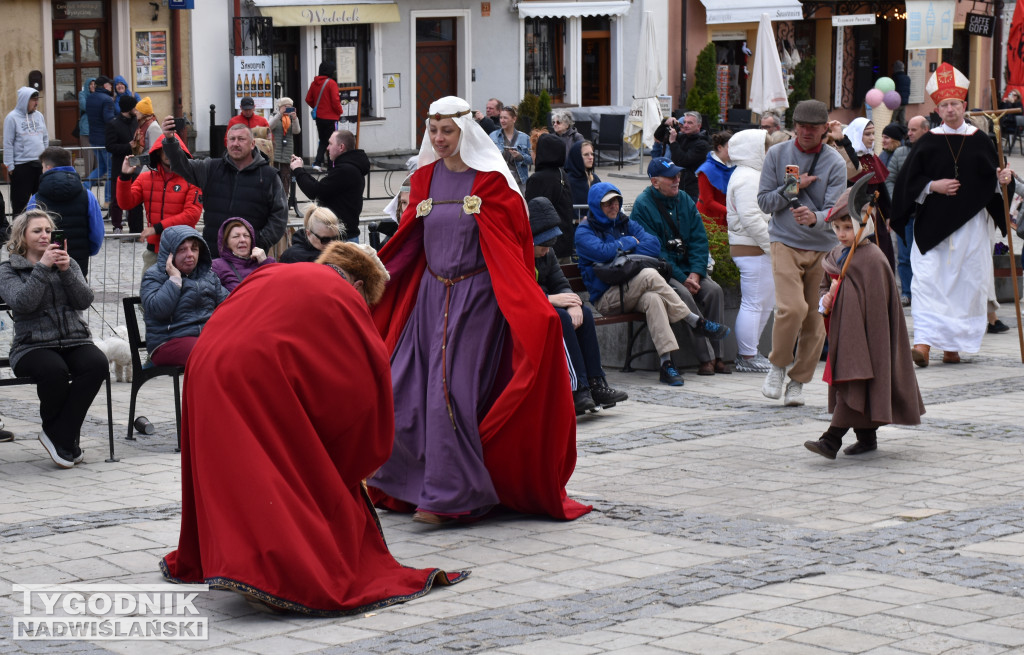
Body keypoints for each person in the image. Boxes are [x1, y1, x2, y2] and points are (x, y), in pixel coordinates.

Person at [160, 246, 466, 615]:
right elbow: (367, 378)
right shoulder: (341, 293)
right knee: (280, 473)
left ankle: (232, 559)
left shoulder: (277, 272)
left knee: (239, 470)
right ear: (357, 284)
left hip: (204, 365)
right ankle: (268, 571)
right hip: (251, 373)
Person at [366, 95, 591, 524]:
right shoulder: (426, 178)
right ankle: (409, 483)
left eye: (447, 131)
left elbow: (514, 248)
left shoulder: (491, 182)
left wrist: (530, 303)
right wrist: (372, 278)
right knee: (405, 387)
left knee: (452, 393)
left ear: (465, 131)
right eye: (433, 131)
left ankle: (452, 495)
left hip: (477, 299)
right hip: (430, 299)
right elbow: (408, 240)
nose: (438, 138)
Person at [892, 63, 1011, 367]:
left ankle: (953, 347)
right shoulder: (929, 141)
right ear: (938, 109)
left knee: (964, 286)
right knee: (928, 282)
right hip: (932, 226)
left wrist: (1004, 179)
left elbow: (994, 179)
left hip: (971, 227)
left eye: (954, 104)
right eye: (944, 105)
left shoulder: (982, 140)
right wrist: (933, 185)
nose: (949, 109)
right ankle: (923, 343)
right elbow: (908, 182)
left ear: (964, 105)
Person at [804, 179, 924, 459]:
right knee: (853, 382)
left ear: (864, 225)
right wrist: (827, 298)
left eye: (849, 227)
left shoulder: (873, 259)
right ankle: (866, 437)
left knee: (856, 381)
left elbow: (878, 307)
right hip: (843, 333)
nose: (843, 234)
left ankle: (830, 440)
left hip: (867, 337)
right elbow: (824, 286)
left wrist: (843, 295)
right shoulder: (835, 254)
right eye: (838, 228)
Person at [576, 182, 728, 386]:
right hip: (608, 297)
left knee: (654, 299)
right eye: (607, 203)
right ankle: (694, 320)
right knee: (648, 273)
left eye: (616, 201)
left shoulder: (625, 222)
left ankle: (666, 364)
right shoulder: (584, 231)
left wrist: (619, 248)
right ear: (596, 206)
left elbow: (653, 245)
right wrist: (629, 242)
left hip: (633, 290)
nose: (613, 206)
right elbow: (601, 252)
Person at [0, 210, 108, 468]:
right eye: (37, 231)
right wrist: (42, 268)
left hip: (74, 339)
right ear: (22, 236)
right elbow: (22, 303)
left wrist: (66, 270)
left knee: (97, 364)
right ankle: (65, 438)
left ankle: (59, 434)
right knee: (54, 370)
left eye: (48, 231)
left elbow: (84, 300)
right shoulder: (9, 269)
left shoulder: (68, 263)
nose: (44, 236)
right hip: (32, 344)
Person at [757, 99, 847, 407]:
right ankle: (778, 365)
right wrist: (793, 187)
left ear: (825, 129)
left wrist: (816, 218)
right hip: (784, 240)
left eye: (813, 127)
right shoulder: (777, 154)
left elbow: (835, 211)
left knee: (815, 318)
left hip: (823, 248)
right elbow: (764, 202)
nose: (806, 132)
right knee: (792, 308)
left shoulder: (834, 162)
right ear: (794, 126)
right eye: (801, 126)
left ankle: (798, 382)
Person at [632, 157, 732, 375]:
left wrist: (696, 272)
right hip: (664, 272)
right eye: (671, 177)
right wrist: (682, 277)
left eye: (678, 175)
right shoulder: (642, 206)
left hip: (689, 269)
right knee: (684, 296)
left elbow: (699, 240)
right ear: (655, 182)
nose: (677, 180)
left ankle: (720, 355)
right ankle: (706, 358)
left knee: (714, 291)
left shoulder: (685, 199)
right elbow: (654, 251)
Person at [529, 197, 627, 414]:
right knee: (561, 318)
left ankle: (596, 383)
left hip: (546, 304)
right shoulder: (519, 252)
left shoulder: (548, 253)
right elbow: (520, 289)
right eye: (543, 244)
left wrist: (572, 302)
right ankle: (578, 389)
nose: (547, 249)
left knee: (584, 313)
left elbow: (561, 283)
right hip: (528, 311)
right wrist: (550, 299)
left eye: (550, 243)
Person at [161, 117, 287, 257]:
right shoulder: (211, 168)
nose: (235, 143)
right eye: (231, 139)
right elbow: (182, 166)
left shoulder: (269, 175)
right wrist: (170, 140)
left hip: (249, 259)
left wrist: (259, 241)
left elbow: (279, 217)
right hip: (214, 256)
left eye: (241, 139)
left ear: (252, 144)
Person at [140, 225, 228, 367]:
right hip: (168, 340)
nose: (190, 255)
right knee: (208, 353)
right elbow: (157, 310)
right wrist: (174, 280)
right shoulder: (154, 276)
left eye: (194, 249)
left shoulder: (208, 276)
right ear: (170, 253)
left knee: (239, 349)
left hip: (206, 338)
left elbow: (229, 305)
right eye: (182, 250)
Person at [117, 133, 202, 273]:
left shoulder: (192, 178)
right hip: (154, 251)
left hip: (183, 249)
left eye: (172, 150)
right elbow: (126, 204)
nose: (168, 154)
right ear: (158, 152)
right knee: (149, 293)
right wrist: (125, 176)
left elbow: (191, 215)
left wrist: (157, 228)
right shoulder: (145, 178)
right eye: (164, 149)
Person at [726, 129, 774, 373]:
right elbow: (751, 218)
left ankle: (750, 351)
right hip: (753, 248)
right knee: (755, 303)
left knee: (764, 303)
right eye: (764, 147)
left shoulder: (751, 174)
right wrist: (772, 246)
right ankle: (747, 355)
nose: (768, 152)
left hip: (756, 247)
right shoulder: (747, 177)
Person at [828, 117, 895, 270]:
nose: (872, 138)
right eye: (867, 134)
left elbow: (881, 189)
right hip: (852, 217)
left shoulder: (872, 158)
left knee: (881, 253)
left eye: (873, 134)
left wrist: (889, 214)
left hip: (876, 217)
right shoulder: (847, 160)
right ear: (857, 135)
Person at [26, 146, 104, 276]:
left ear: (48, 168)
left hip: (45, 260)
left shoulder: (36, 198)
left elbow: (27, 231)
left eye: (43, 167)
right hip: (79, 259)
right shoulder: (87, 195)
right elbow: (97, 230)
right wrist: (88, 250)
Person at [290, 129, 368, 242]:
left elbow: (315, 192)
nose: (327, 148)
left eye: (331, 144)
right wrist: (301, 169)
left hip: (341, 240)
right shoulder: (347, 167)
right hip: (341, 236)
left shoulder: (345, 170)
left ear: (341, 147)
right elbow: (321, 188)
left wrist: (298, 170)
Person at [886, 115, 929, 307]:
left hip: (926, 213)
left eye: (913, 130)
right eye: (908, 130)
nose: (908, 133)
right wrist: (898, 199)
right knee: (903, 256)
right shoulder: (900, 152)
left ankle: (924, 293)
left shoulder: (933, 151)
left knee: (924, 256)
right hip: (906, 213)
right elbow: (890, 179)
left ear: (925, 130)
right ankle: (907, 292)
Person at [4, 87, 49, 222]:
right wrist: (10, 166)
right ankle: (19, 236)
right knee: (20, 204)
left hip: (39, 165)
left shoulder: (39, 116)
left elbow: (45, 138)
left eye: (37, 100)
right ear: (25, 100)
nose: (36, 103)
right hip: (21, 166)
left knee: (42, 202)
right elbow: (8, 143)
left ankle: (40, 230)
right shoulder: (12, 118)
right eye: (33, 100)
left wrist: (45, 160)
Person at [525, 133, 574, 258]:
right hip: (565, 241)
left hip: (546, 247)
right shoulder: (562, 173)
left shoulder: (538, 179)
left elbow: (531, 213)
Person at [106, 95, 143, 234]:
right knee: (117, 198)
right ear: (128, 108)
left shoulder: (137, 121)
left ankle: (135, 227)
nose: (136, 109)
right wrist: (128, 146)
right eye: (134, 107)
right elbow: (110, 146)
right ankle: (117, 226)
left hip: (136, 165)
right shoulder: (113, 124)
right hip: (119, 165)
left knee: (135, 197)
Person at [653, 111, 710, 201]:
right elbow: (658, 137)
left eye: (690, 123)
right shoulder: (683, 137)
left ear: (699, 126)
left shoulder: (702, 144)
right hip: (677, 186)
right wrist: (665, 123)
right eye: (685, 122)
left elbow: (683, 161)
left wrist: (673, 143)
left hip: (691, 190)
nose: (686, 125)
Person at [210, 218, 275, 292]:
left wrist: (265, 262)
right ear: (226, 243)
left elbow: (277, 286)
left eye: (246, 235)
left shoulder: (264, 262)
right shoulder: (217, 266)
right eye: (236, 236)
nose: (242, 240)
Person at [85, 76, 116, 207]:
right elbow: (108, 119)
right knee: (110, 170)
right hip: (105, 139)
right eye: (109, 85)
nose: (111, 87)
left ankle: (84, 187)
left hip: (94, 138)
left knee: (102, 167)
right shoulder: (107, 99)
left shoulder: (90, 98)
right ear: (104, 86)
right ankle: (108, 201)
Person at [305, 62, 342, 169]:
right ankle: (332, 166)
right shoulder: (331, 83)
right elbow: (335, 101)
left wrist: (317, 107)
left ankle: (317, 163)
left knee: (323, 140)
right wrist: (340, 111)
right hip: (331, 118)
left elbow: (308, 99)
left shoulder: (314, 83)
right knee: (333, 141)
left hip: (319, 117)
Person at [279, 204, 343, 263]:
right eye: (325, 240)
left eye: (335, 238)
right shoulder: (292, 257)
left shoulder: (341, 254)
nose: (331, 244)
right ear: (308, 234)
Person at [268, 97, 301, 210]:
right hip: (276, 152)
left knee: (286, 177)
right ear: (280, 107)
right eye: (285, 106)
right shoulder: (274, 116)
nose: (287, 109)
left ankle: (284, 200)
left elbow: (297, 131)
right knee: (274, 176)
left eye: (289, 106)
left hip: (287, 152)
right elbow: (269, 126)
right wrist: (279, 115)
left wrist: (295, 118)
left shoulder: (291, 119)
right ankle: (273, 200)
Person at [489, 105, 532, 192]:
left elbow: (532, 159)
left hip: (519, 182)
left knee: (520, 205)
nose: (502, 120)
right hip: (499, 180)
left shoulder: (525, 138)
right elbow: (487, 157)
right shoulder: (493, 136)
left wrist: (520, 157)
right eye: (500, 118)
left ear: (514, 119)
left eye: (505, 118)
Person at [696, 131, 734, 227]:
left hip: (726, 217)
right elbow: (708, 202)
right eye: (730, 147)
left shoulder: (731, 166)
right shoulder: (706, 170)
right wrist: (732, 212)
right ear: (720, 147)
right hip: (710, 219)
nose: (734, 151)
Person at [565, 140, 601, 221]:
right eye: (586, 154)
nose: (591, 157)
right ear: (577, 157)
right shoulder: (568, 180)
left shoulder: (594, 178)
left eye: (592, 154)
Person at [77, 78, 96, 187]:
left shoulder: (98, 94)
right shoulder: (82, 94)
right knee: (88, 154)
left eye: (94, 84)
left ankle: (97, 177)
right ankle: (89, 178)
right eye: (91, 84)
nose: (93, 86)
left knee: (97, 155)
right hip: (86, 129)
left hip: (96, 129)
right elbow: (84, 106)